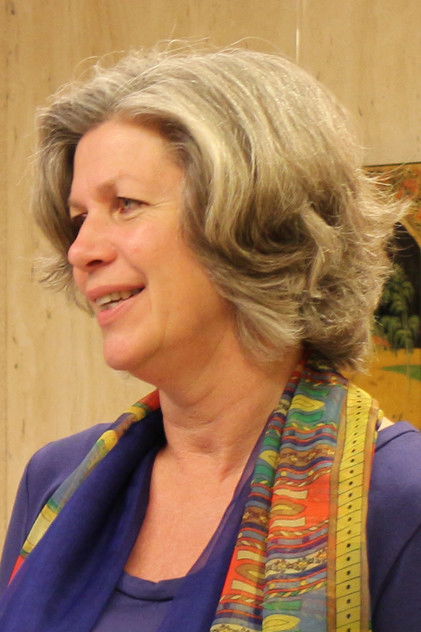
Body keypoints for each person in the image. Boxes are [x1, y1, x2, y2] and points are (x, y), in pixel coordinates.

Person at [0, 46, 420, 632]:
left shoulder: (399, 497)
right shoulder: (57, 481)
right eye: (79, 219)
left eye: (125, 205)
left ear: (251, 222)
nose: (81, 250)